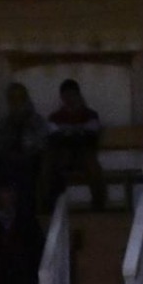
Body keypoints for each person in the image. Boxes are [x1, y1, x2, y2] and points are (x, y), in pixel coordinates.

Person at [39, 79, 106, 213]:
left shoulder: (90, 115)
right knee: (48, 162)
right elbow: (53, 136)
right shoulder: (55, 117)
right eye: (66, 96)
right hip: (62, 156)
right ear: (62, 98)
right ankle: (46, 207)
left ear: (78, 95)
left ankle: (99, 206)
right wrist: (77, 131)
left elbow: (92, 135)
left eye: (72, 95)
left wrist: (69, 132)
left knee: (92, 163)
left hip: (83, 155)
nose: (69, 99)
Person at [0, 82, 48, 208]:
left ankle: (26, 207)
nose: (16, 102)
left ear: (26, 99)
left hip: (31, 158)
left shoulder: (37, 121)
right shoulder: (3, 123)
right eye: (12, 98)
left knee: (25, 168)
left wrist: (27, 150)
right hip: (8, 159)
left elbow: (42, 144)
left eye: (19, 98)